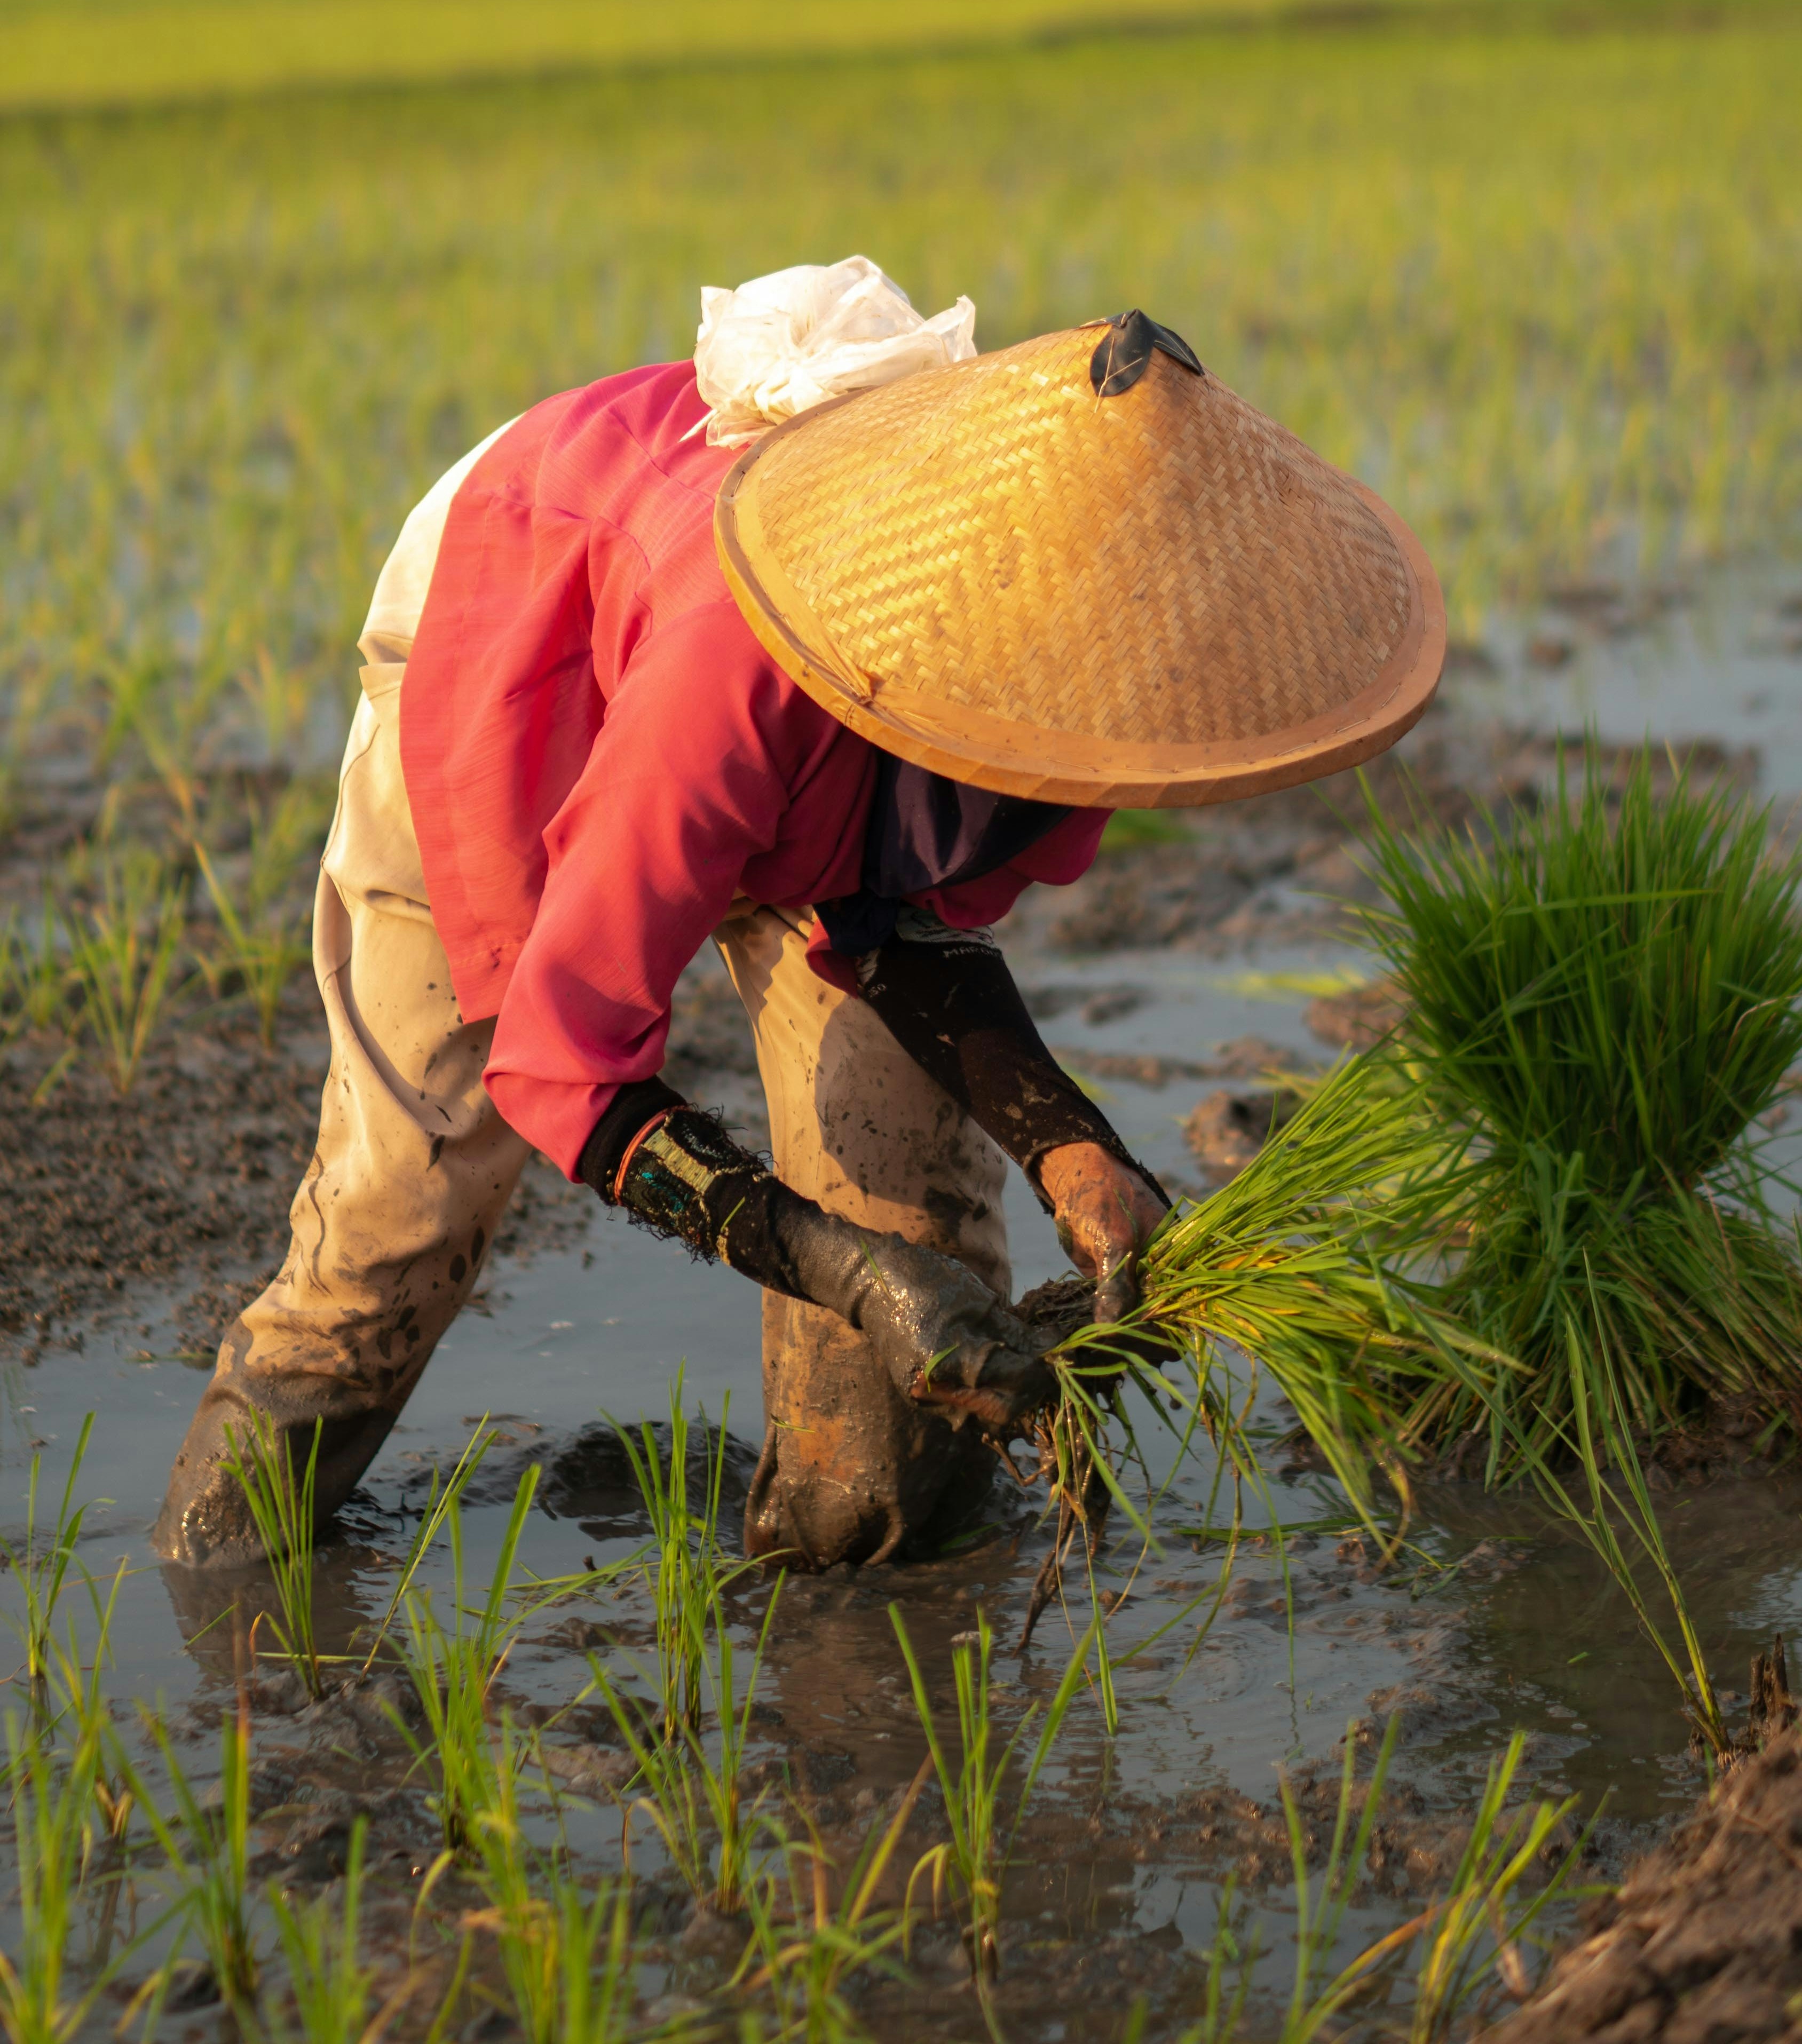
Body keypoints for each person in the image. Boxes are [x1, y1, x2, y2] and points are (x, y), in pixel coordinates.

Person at [154, 266, 1441, 1573]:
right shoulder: (724, 687)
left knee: (924, 1273)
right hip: (521, 633)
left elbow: (902, 925)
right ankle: (224, 1592)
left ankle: (860, 1660)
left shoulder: (1073, 699)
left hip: (803, 733)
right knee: (400, 1218)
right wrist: (843, 1269)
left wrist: (1074, 1152)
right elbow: (559, 1068)